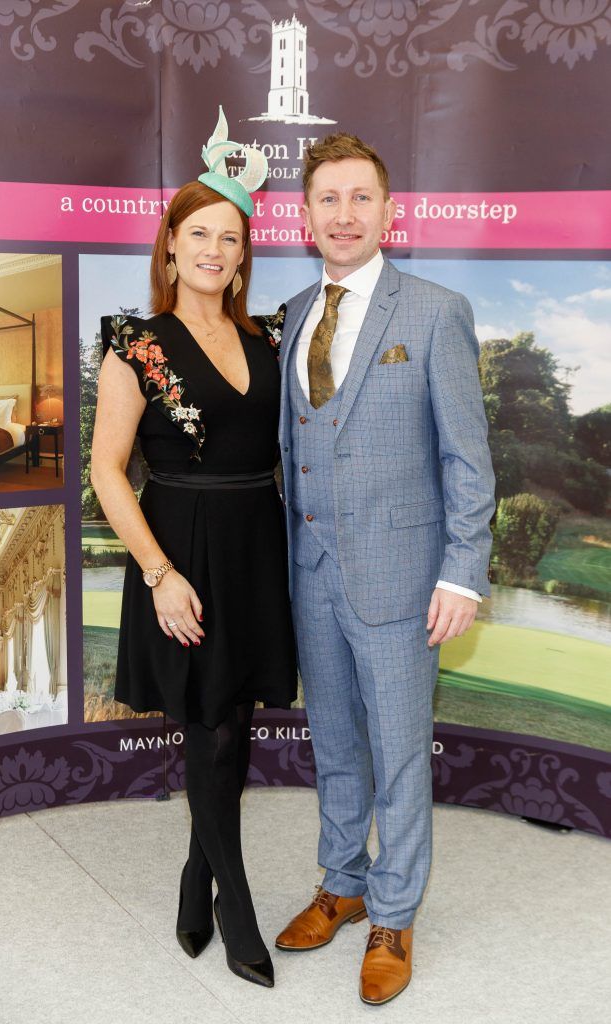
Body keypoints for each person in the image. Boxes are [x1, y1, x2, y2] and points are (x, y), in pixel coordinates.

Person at [274, 134, 496, 1005]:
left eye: (359, 198)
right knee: (332, 744)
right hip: (312, 574)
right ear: (305, 216)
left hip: (403, 577)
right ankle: (341, 882)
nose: (343, 214)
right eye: (327, 199)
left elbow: (467, 461)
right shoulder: (292, 313)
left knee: (399, 755)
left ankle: (394, 915)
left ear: (388, 211)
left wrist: (461, 572)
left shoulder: (435, 311)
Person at [91, 110, 297, 989]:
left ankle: (194, 872)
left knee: (235, 723)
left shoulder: (268, 340)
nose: (214, 249)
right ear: (170, 245)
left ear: (245, 254)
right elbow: (106, 469)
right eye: (198, 232)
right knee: (210, 730)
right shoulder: (135, 343)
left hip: (255, 546)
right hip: (179, 551)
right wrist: (159, 574)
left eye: (230, 236)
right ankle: (234, 902)